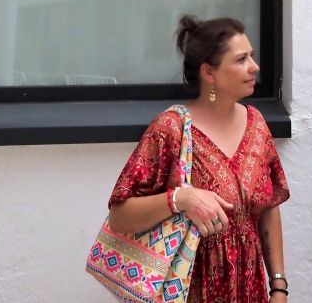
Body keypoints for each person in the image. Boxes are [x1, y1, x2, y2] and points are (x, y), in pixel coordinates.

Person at [108, 16, 290, 303]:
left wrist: (278, 285)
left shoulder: (257, 125)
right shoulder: (171, 129)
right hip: (190, 289)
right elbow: (120, 216)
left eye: (251, 56)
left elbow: (268, 208)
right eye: (241, 59)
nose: (254, 67)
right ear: (209, 73)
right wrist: (181, 199)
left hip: (249, 289)